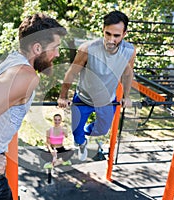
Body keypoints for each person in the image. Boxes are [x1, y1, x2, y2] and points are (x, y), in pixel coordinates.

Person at [0, 13, 67, 200]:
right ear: (37, 48)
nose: (57, 54)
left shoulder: (12, 61)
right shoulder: (26, 76)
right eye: (55, 48)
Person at [57, 10, 136, 161]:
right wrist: (62, 96)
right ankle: (81, 143)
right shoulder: (88, 49)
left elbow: (127, 74)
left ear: (124, 34)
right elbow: (72, 72)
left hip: (107, 100)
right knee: (77, 134)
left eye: (116, 35)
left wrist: (126, 97)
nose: (111, 39)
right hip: (83, 98)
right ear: (103, 30)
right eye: (108, 34)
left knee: (101, 130)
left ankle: (87, 131)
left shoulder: (129, 51)